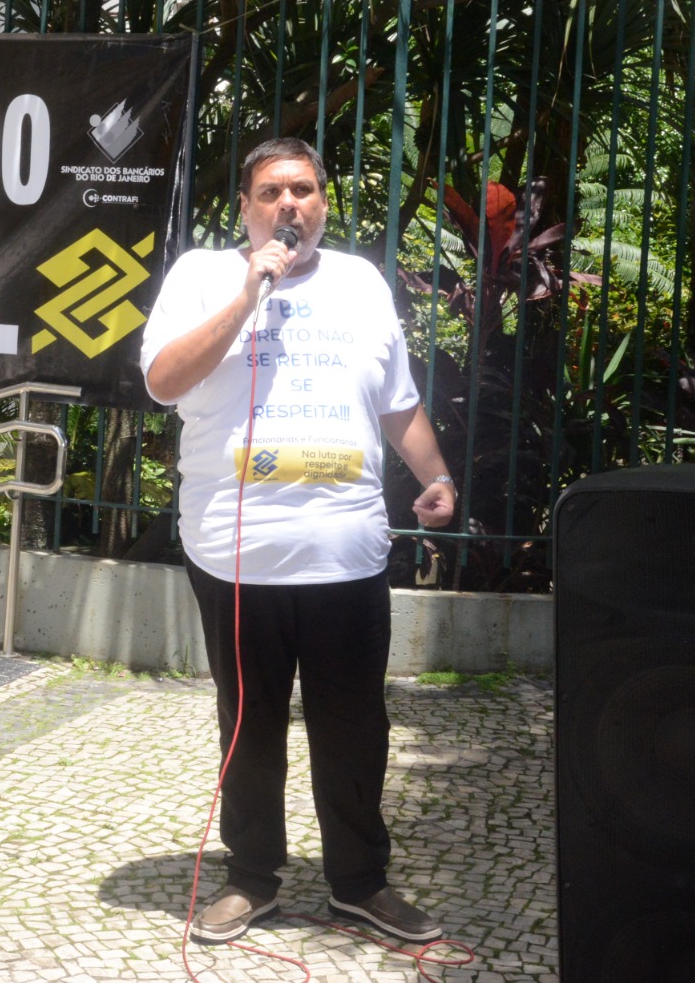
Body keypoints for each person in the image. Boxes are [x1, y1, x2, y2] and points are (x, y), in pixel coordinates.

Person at [139, 137, 456, 945]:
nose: (290, 204)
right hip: (235, 555)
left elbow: (396, 400)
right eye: (272, 191)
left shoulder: (361, 283)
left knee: (354, 728)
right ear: (245, 207)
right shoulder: (202, 276)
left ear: (323, 202)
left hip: (345, 554)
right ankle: (251, 879)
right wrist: (249, 291)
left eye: (305, 190)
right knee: (249, 725)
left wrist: (435, 474)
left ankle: (360, 882)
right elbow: (164, 381)